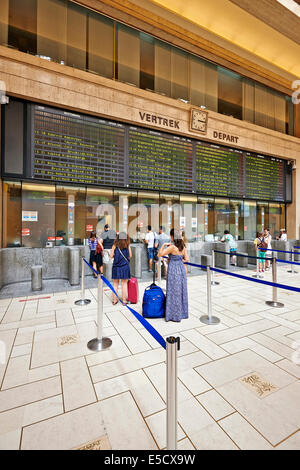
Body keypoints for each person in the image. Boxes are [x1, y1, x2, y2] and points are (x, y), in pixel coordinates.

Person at [158, 228, 189, 322]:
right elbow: (187, 259)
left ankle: (173, 315)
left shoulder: (172, 247)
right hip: (181, 269)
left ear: (172, 236)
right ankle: (182, 313)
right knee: (180, 291)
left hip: (173, 270)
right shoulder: (183, 246)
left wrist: (163, 245)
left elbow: (160, 254)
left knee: (173, 291)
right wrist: (179, 260)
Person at [110, 232, 132, 305]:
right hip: (125, 266)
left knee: (115, 283)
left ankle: (115, 300)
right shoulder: (127, 245)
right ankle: (124, 301)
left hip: (116, 267)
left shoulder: (115, 245)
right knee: (124, 283)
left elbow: (111, 255)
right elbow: (130, 255)